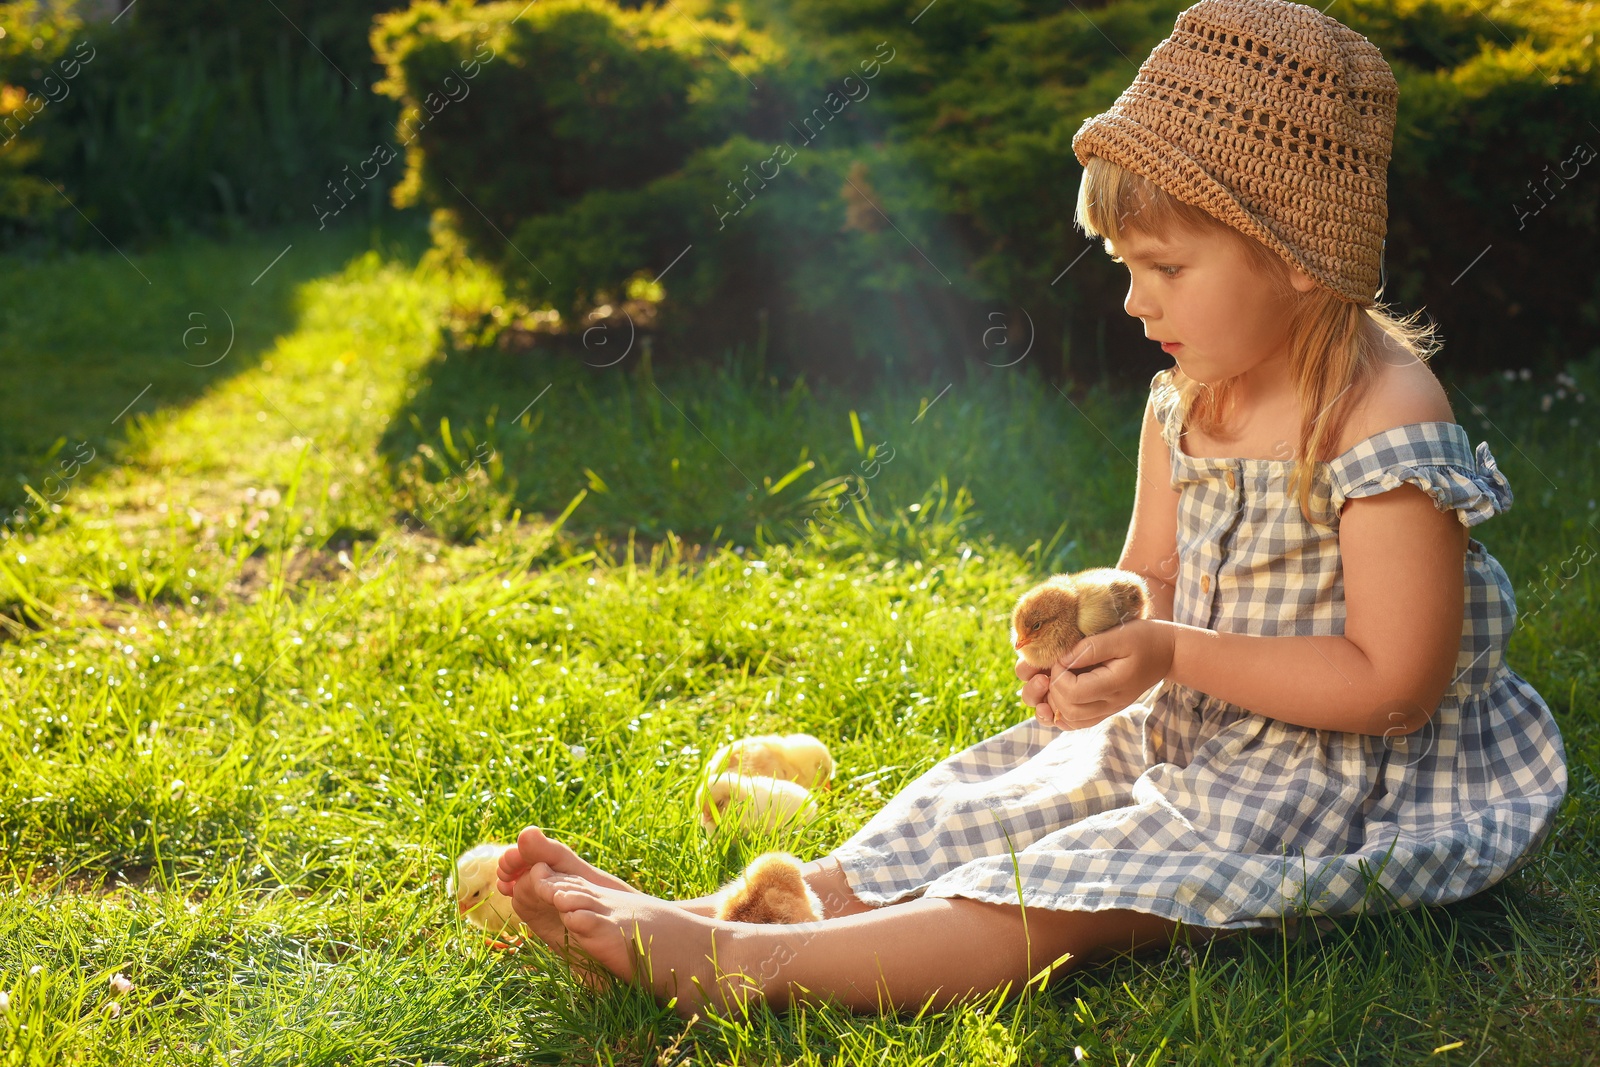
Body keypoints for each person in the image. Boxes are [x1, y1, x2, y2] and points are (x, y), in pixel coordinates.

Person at [494, 0, 1570, 1017]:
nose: (1133, 298)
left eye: (1164, 266)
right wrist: (1093, 647)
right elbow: (1149, 571)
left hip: (1336, 773)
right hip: (1188, 727)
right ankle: (723, 912)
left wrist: (1171, 654)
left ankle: (746, 967)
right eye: (1123, 264)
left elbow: (1393, 684)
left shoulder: (1378, 418)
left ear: (1292, 255)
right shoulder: (1186, 396)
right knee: (983, 805)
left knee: (1076, 886)